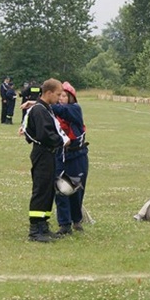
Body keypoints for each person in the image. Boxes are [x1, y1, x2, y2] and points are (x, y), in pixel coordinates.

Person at [22, 78, 69, 242]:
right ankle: (35, 230)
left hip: (50, 154)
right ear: (48, 93)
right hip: (42, 153)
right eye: (57, 94)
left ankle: (43, 225)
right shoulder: (39, 110)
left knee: (49, 190)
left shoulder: (46, 108)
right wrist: (61, 140)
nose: (59, 98)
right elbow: (45, 134)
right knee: (41, 189)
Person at [52, 82, 89, 235]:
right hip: (60, 156)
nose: (61, 98)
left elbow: (61, 110)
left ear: (71, 97)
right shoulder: (52, 114)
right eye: (59, 95)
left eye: (64, 95)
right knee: (61, 190)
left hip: (77, 156)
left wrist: (40, 103)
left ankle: (77, 220)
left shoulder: (74, 110)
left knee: (76, 190)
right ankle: (64, 224)